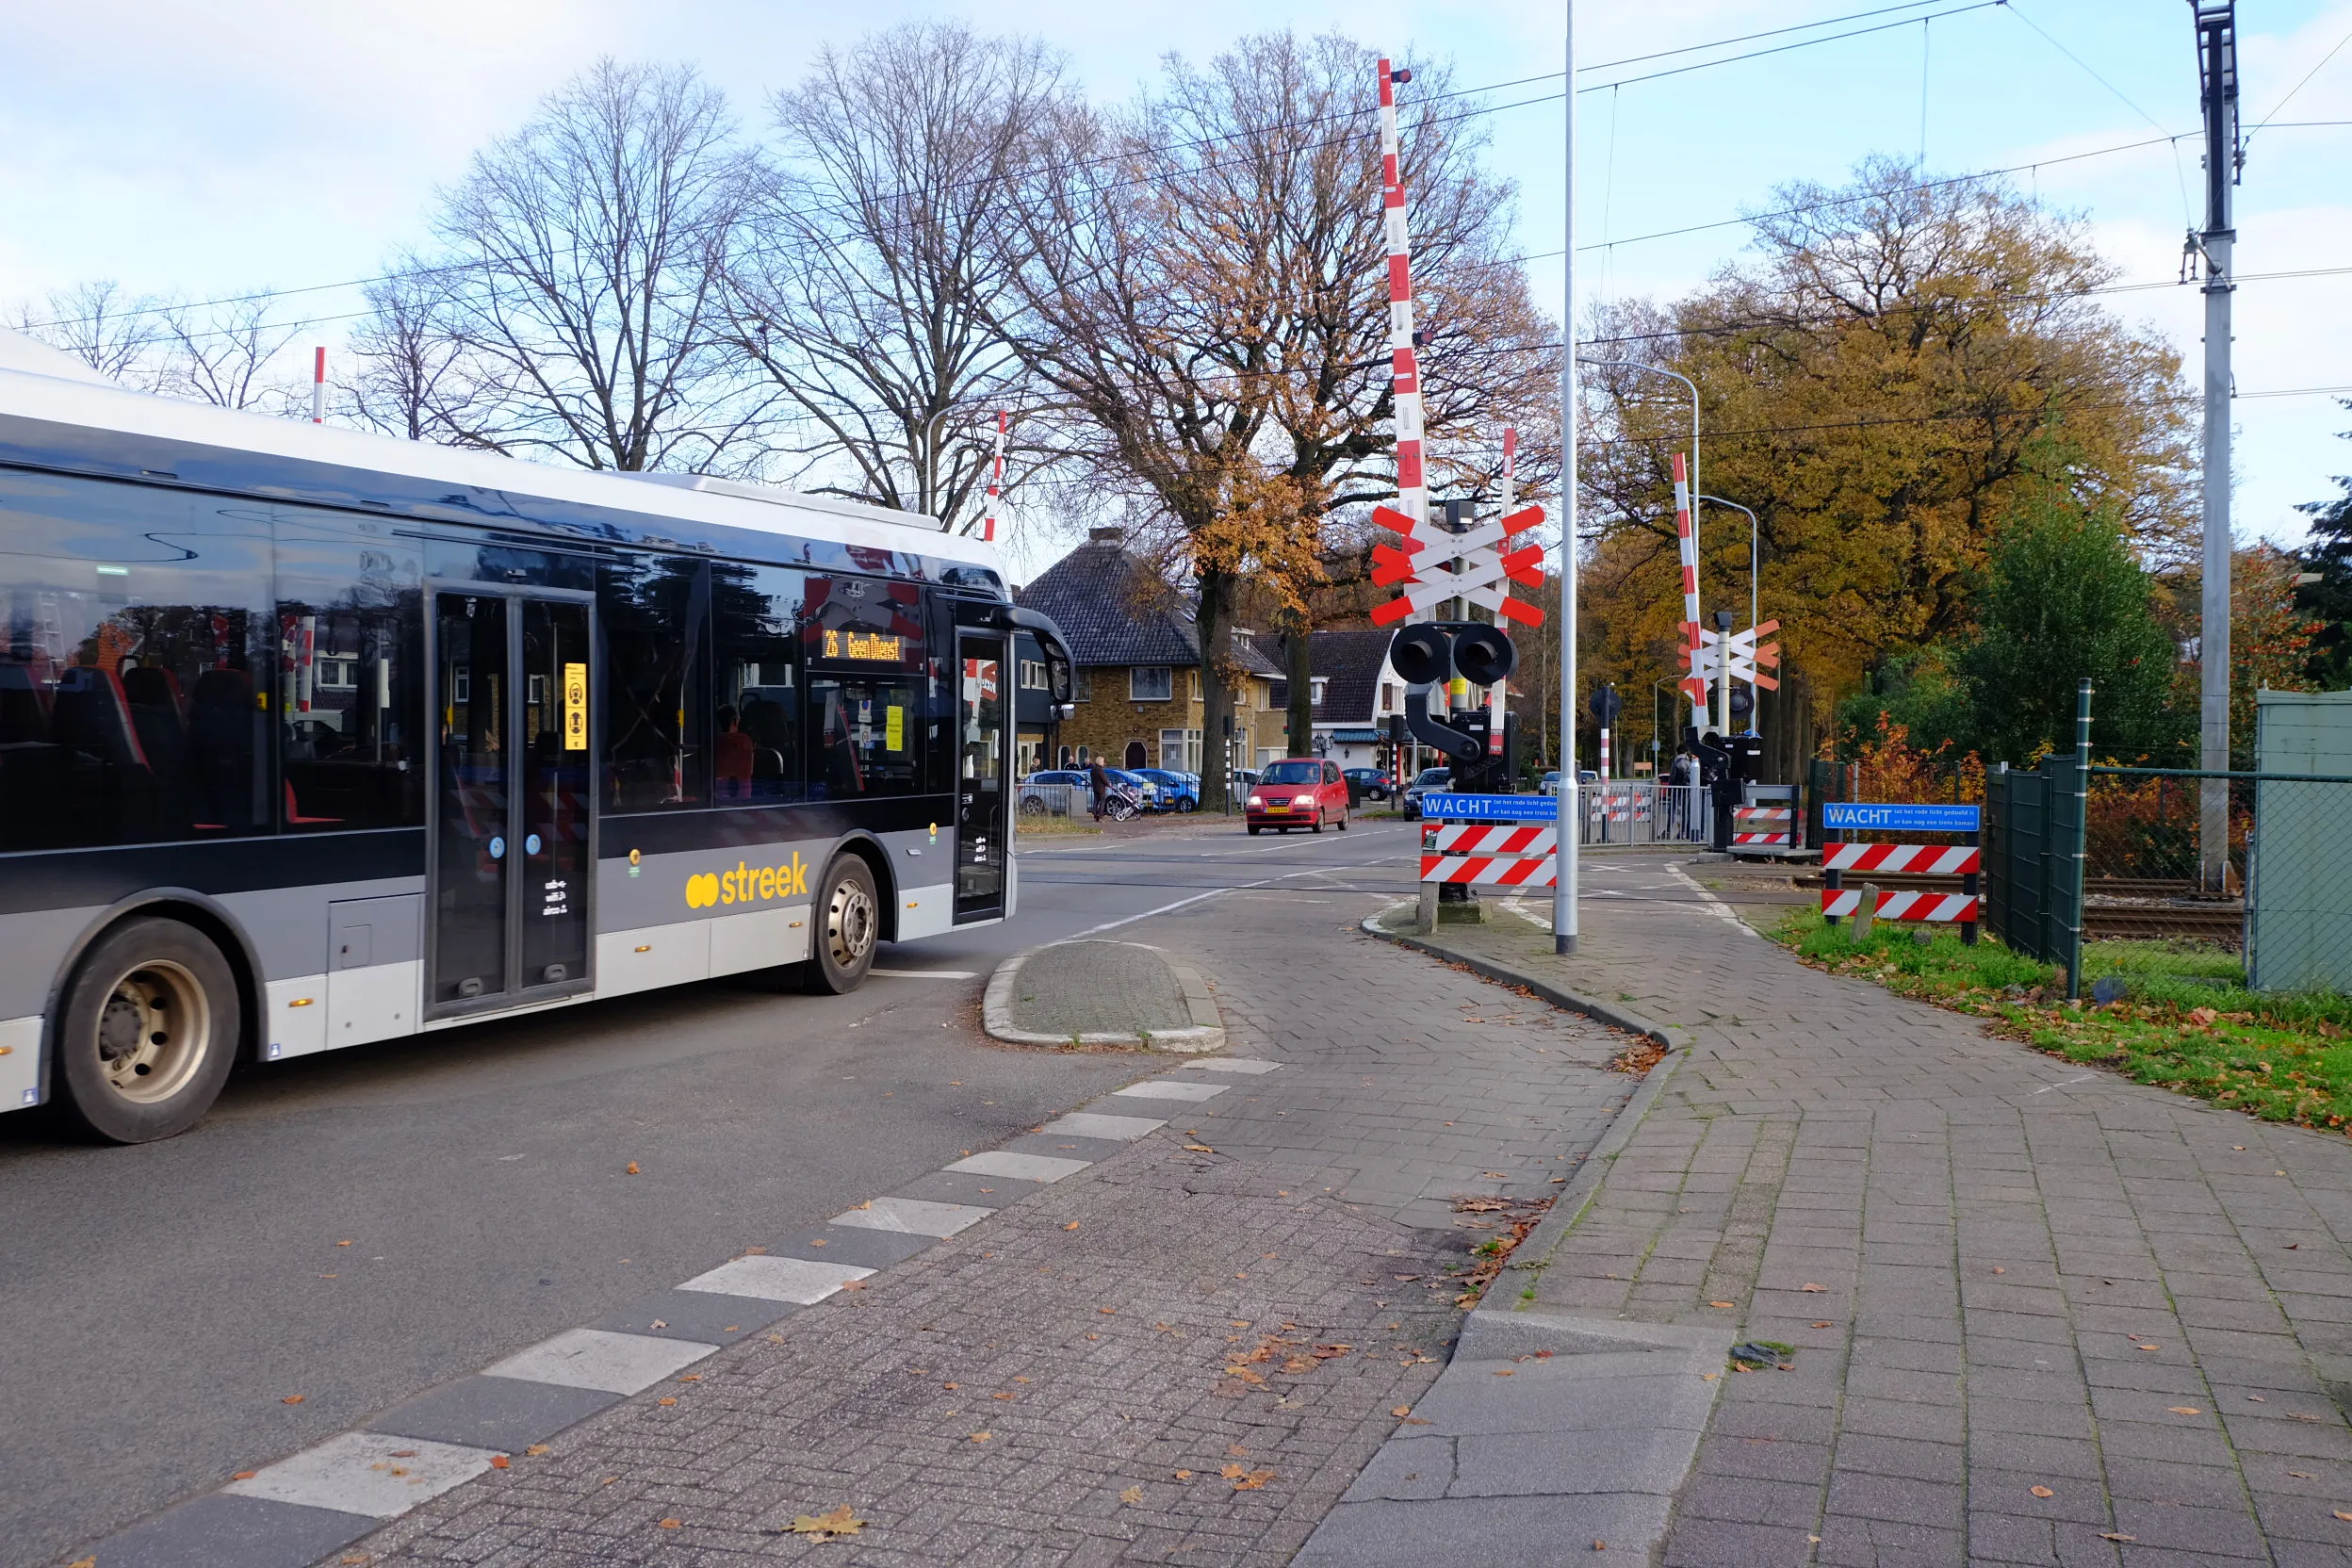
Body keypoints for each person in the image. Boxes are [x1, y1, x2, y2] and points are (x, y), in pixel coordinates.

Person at [1088, 756, 1111, 821]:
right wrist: (1108, 784)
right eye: (1103, 761)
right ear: (1100, 762)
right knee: (1102, 802)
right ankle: (1100, 815)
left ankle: (1095, 813)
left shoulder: (1092, 770)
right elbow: (1104, 779)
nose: (1103, 763)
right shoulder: (1100, 770)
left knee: (1095, 801)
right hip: (1101, 788)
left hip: (1095, 788)